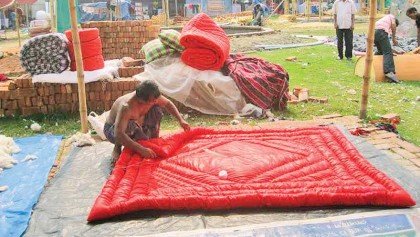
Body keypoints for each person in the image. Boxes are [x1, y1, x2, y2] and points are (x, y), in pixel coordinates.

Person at [104, 80, 191, 164]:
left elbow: (167, 103)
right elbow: (119, 133)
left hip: (136, 124)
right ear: (142, 101)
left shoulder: (152, 96)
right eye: (153, 101)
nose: (156, 101)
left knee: (156, 110)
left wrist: (181, 120)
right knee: (129, 126)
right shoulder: (126, 106)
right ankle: (117, 147)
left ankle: (153, 141)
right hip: (113, 131)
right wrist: (141, 149)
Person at [374, 14, 399, 83]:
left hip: (374, 32)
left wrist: (395, 51)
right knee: (387, 53)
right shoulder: (392, 16)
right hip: (381, 32)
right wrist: (394, 38)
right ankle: (389, 72)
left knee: (380, 51)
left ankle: (373, 66)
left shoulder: (383, 21)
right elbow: (393, 25)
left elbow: (385, 48)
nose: (391, 29)